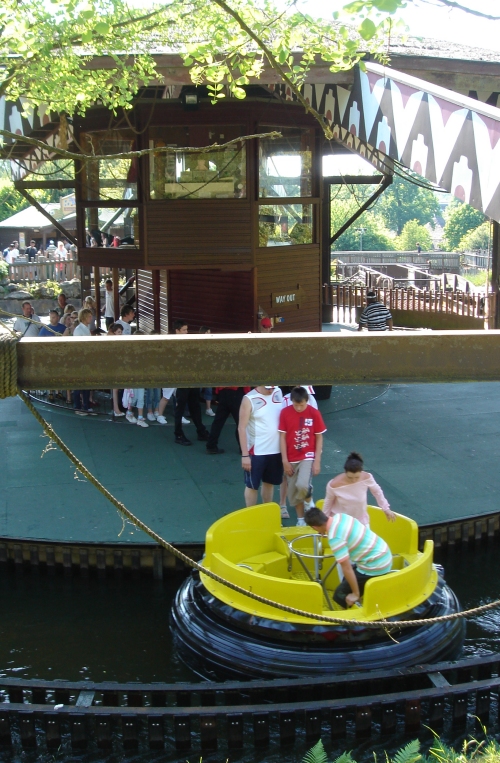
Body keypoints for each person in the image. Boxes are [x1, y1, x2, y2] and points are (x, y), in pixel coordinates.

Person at [304, 506, 393, 609]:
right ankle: (357, 599)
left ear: (315, 527)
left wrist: (355, 593)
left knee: (339, 594)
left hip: (375, 566)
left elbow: (346, 567)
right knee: (346, 580)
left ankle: (357, 613)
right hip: (384, 554)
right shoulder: (341, 517)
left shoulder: (335, 537)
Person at [278, 387, 326, 526]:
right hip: (291, 457)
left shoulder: (314, 413)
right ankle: (300, 520)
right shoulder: (285, 413)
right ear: (291, 401)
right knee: (292, 491)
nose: (299, 408)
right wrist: (284, 461)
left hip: (307, 455)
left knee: (302, 484)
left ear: (307, 401)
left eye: (302, 404)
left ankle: (308, 494)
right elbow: (282, 436)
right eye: (296, 404)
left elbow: (319, 437)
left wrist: (317, 461)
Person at [238, 385, 283, 506]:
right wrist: (245, 455)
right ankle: (251, 516)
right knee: (252, 485)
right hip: (256, 451)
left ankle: (266, 513)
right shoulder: (249, 399)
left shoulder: (278, 391)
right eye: (268, 388)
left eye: (272, 388)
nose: (271, 390)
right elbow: (241, 428)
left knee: (269, 482)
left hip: (276, 450)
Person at [322, 451, 395, 526]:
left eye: (357, 477)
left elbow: (377, 492)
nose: (353, 480)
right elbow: (328, 503)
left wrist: (386, 508)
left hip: (360, 519)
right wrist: (324, 522)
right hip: (341, 521)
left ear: (361, 472)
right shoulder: (334, 484)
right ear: (345, 472)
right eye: (349, 477)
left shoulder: (367, 477)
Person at [172, 319, 210, 445]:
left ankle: (200, 430)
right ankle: (178, 434)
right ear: (177, 331)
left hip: (192, 379)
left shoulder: (189, 342)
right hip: (181, 381)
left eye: (186, 330)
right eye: (184, 330)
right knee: (180, 408)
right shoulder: (173, 344)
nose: (186, 332)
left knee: (195, 406)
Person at [205, 386, 248, 455]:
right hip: (236, 392)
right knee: (241, 423)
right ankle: (243, 448)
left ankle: (211, 445)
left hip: (223, 392)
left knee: (218, 421)